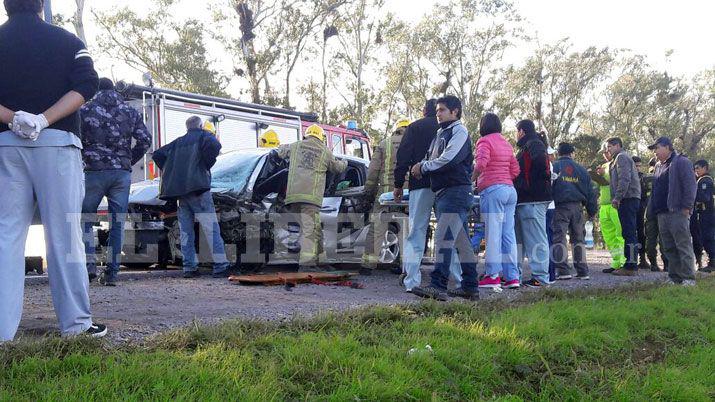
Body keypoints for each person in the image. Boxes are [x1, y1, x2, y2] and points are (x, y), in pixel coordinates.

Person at [0, 0, 106, 340]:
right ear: (40, 6)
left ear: (6, 6)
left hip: (5, 144)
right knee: (64, 234)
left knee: (6, 236)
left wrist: (13, 117)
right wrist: (44, 119)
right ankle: (76, 325)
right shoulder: (69, 42)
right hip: (58, 142)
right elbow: (87, 86)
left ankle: (1, 331)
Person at [80, 78, 151, 286]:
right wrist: (128, 160)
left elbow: (75, 138)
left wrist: (86, 157)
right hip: (121, 174)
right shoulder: (130, 111)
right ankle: (111, 274)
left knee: (85, 219)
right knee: (117, 222)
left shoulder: (85, 110)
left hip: (93, 171)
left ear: (97, 89)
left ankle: (89, 267)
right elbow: (145, 140)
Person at [409, 96, 479, 300]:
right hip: (447, 192)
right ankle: (470, 286)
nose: (437, 113)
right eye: (437, 110)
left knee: (443, 238)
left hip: (455, 191)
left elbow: (449, 159)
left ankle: (438, 285)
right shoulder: (441, 132)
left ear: (455, 111)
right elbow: (432, 157)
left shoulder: (459, 131)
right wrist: (422, 164)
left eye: (442, 110)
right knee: (461, 242)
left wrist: (422, 167)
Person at [393, 100, 460, 291]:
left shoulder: (414, 127)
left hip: (420, 184)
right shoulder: (449, 129)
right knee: (448, 232)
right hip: (443, 186)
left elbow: (403, 156)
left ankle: (411, 280)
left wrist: (398, 184)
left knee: (417, 232)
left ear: (424, 111)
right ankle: (458, 279)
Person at [153, 116, 230, 278]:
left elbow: (157, 154)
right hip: (199, 191)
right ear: (200, 126)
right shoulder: (203, 136)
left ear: (187, 127)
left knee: (186, 231)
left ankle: (189, 268)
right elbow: (215, 145)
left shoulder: (177, 142)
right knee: (211, 229)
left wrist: (172, 169)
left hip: (182, 195)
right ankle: (221, 265)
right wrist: (205, 164)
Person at [272, 124, 347, 270]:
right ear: (321, 137)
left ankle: (322, 261)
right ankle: (306, 264)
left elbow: (279, 151)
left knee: (314, 228)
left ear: (306, 135)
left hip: (293, 198)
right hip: (311, 199)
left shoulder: (296, 146)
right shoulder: (325, 151)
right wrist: (344, 162)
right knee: (310, 230)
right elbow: (337, 168)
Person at [473, 113, 520, 290]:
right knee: (508, 235)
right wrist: (505, 178)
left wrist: (474, 179)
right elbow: (515, 170)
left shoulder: (484, 141)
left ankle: (492, 275)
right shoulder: (506, 143)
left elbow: (481, 164)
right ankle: (512, 277)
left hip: (493, 190)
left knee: (492, 233)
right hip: (510, 191)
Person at [361, 118, 409, 273]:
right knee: (406, 229)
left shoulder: (384, 144)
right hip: (407, 193)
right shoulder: (415, 143)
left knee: (377, 227)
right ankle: (405, 266)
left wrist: (369, 190)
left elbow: (373, 170)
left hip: (386, 192)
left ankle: (368, 265)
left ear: (396, 129)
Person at [648, 137, 697, 285]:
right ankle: (674, 277)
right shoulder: (657, 166)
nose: (655, 152)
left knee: (682, 245)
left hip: (678, 211)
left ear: (668, 147)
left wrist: (687, 207)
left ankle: (688, 278)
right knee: (668, 247)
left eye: (657, 148)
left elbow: (690, 186)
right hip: (661, 213)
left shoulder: (681, 162)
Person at [513, 120, 552, 287]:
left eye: (516, 131)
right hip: (527, 200)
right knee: (520, 240)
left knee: (536, 239)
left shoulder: (533, 144)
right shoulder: (530, 145)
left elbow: (541, 164)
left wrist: (527, 184)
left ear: (521, 131)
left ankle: (541, 277)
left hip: (533, 199)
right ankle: (517, 275)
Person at [551, 143, 598, 280]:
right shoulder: (582, 170)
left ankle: (563, 270)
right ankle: (583, 271)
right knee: (578, 238)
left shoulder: (554, 166)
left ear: (558, 153)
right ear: (572, 153)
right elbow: (591, 192)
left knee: (559, 237)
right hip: (577, 207)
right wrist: (592, 211)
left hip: (559, 206)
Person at [606, 137, 642, 276]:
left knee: (629, 232)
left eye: (610, 146)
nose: (608, 149)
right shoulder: (616, 159)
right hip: (627, 198)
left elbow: (624, 178)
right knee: (628, 232)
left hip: (628, 199)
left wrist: (617, 197)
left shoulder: (621, 157)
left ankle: (630, 266)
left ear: (617, 145)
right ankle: (630, 264)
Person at [591, 143, 626, 273]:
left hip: (615, 204)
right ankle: (616, 262)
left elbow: (621, 180)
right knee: (609, 236)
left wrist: (605, 174)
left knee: (620, 234)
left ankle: (624, 262)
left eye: (607, 151)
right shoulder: (605, 166)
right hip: (604, 205)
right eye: (603, 152)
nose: (605, 154)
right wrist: (598, 175)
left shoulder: (618, 162)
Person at [691, 159, 714, 272]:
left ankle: (713, 262)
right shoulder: (700, 180)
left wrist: (693, 196)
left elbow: (705, 197)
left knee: (707, 238)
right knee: (704, 237)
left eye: (698, 168)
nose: (696, 171)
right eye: (695, 169)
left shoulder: (705, 181)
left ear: (705, 168)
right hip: (702, 214)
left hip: (707, 214)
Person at [644, 157, 667, 271]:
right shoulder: (662, 175)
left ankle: (653, 263)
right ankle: (666, 264)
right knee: (664, 237)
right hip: (661, 209)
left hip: (649, 210)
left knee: (651, 238)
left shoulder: (646, 177)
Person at [632, 156, 650, 270]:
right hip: (631, 208)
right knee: (630, 233)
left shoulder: (644, 178)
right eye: (636, 166)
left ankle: (642, 258)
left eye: (639, 166)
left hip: (641, 208)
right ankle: (630, 258)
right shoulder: (627, 176)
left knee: (642, 233)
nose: (638, 168)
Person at [545, 145, 558, 282]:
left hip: (546, 206)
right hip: (550, 205)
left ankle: (549, 273)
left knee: (546, 240)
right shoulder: (550, 165)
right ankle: (551, 273)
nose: (552, 156)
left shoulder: (547, 164)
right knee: (549, 239)